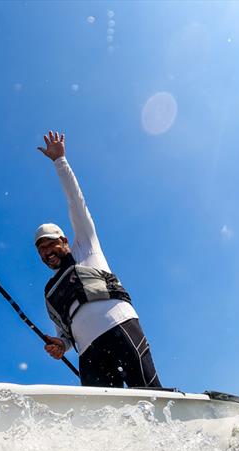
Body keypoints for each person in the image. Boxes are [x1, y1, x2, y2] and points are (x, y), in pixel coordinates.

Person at [35, 130, 162, 389]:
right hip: (88, 355)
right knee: (102, 418)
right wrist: (61, 345)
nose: (47, 252)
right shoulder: (50, 293)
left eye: (51, 244)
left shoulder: (86, 247)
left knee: (148, 393)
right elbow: (64, 334)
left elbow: (76, 202)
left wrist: (60, 161)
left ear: (65, 241)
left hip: (120, 327)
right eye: (42, 250)